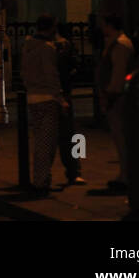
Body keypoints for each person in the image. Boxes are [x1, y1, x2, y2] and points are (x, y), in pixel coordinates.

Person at [21, 14, 68, 195]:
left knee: (40, 141)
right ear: (52, 27)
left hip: (32, 97)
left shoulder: (27, 45)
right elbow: (51, 76)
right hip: (47, 99)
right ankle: (41, 182)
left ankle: (41, 179)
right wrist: (60, 98)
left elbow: (24, 72)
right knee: (46, 144)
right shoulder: (47, 48)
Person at [98, 14, 135, 192]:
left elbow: (118, 74)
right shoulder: (115, 43)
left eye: (104, 24)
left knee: (122, 137)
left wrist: (110, 94)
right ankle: (125, 173)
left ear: (110, 25)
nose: (102, 28)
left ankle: (127, 175)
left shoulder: (120, 44)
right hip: (115, 95)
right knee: (120, 137)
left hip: (117, 97)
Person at [53, 26, 85, 185]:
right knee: (70, 134)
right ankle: (74, 172)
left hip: (50, 94)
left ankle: (44, 175)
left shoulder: (40, 46)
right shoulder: (65, 47)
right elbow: (76, 66)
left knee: (59, 135)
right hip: (62, 92)